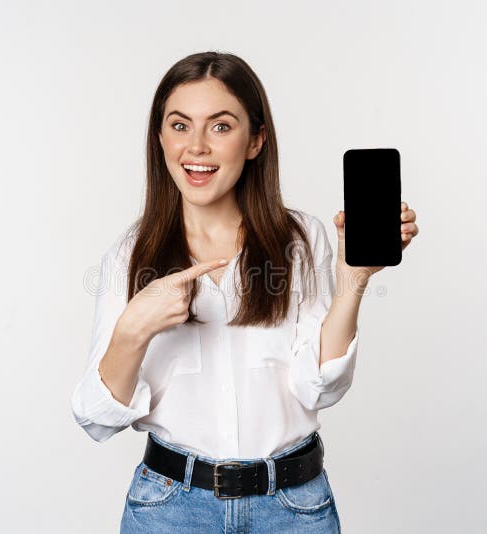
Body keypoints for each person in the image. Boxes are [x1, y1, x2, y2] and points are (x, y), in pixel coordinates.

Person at [70, 51, 419, 533]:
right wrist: (134, 328)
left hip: (293, 508)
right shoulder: (129, 256)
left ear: (255, 140)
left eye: (220, 126)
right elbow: (95, 419)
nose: (196, 147)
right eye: (179, 125)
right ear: (159, 137)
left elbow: (317, 387)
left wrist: (353, 281)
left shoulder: (302, 240)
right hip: (170, 511)